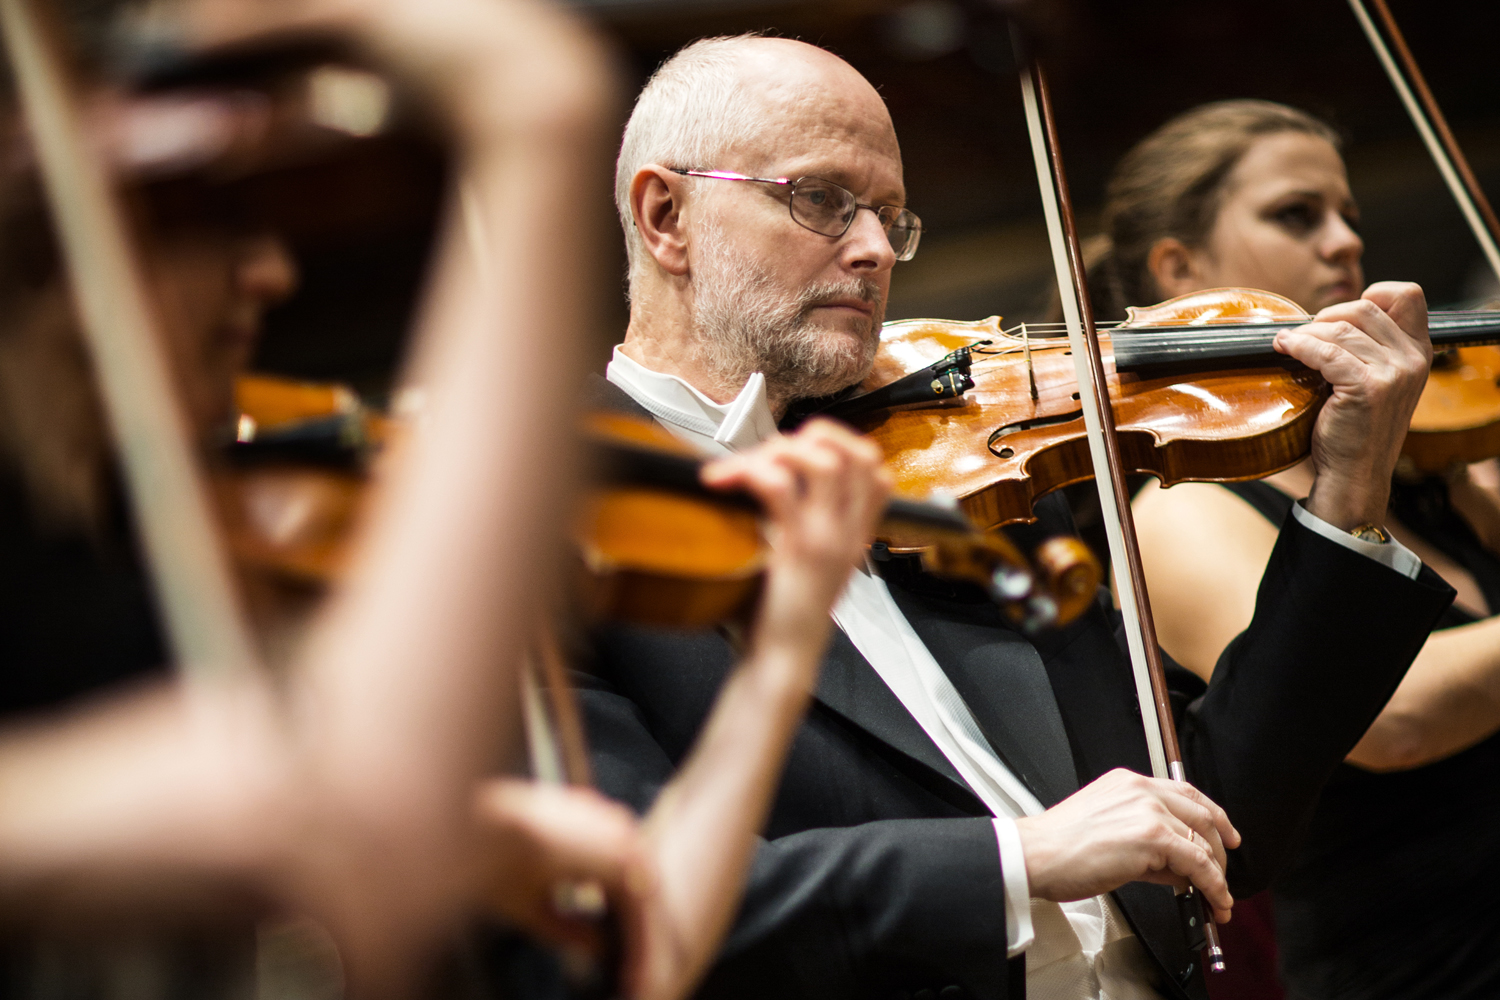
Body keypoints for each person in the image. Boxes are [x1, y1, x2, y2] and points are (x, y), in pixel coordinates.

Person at [0, 4, 888, 1000]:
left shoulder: (148, 574)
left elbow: (653, 952)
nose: (270, 272)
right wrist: (531, 116)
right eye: (190, 218)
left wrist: (776, 661)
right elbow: (365, 814)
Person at [579, 37, 1455, 1000]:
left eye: (890, 217)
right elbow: (633, 913)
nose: (873, 249)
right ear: (667, 216)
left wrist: (1348, 496)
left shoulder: (958, 486)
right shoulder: (557, 532)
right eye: (823, 200)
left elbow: (1217, 826)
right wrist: (1020, 859)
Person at [1121, 100, 1500, 1000]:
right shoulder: (1181, 511)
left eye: (1348, 219)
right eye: (1297, 215)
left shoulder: (1436, 465)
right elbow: (1393, 720)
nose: (1344, 245)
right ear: (1182, 269)